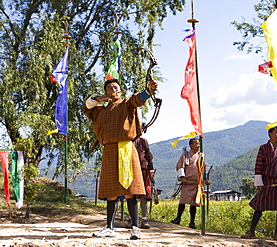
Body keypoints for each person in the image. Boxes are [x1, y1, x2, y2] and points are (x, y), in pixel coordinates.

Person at [82, 78, 158, 239]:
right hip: (109, 149)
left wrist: (148, 91)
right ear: (105, 93)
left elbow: (139, 98)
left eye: (115, 87)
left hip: (126, 149)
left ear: (121, 90)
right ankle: (109, 227)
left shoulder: (127, 103)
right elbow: (86, 108)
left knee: (131, 191)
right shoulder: (100, 110)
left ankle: (135, 228)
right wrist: (97, 99)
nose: (112, 89)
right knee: (111, 192)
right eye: (109, 88)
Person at [241, 126, 277, 241]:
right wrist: (259, 182)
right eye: (276, 133)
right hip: (267, 181)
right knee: (259, 206)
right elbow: (258, 165)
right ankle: (251, 231)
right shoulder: (263, 148)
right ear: (270, 134)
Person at [170, 138, 210, 229]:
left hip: (196, 183)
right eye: (196, 143)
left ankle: (192, 222)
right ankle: (178, 218)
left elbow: (203, 170)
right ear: (191, 145)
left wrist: (205, 179)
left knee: (193, 203)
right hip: (187, 182)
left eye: (199, 143)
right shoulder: (185, 155)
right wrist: (183, 178)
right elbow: (180, 166)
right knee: (182, 201)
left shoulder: (201, 157)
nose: (198, 145)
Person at [133, 136, 155, 229]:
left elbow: (148, 156)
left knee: (144, 195)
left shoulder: (143, 141)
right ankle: (133, 220)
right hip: (131, 170)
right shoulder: (128, 140)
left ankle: (144, 219)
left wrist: (151, 169)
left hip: (143, 170)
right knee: (132, 195)